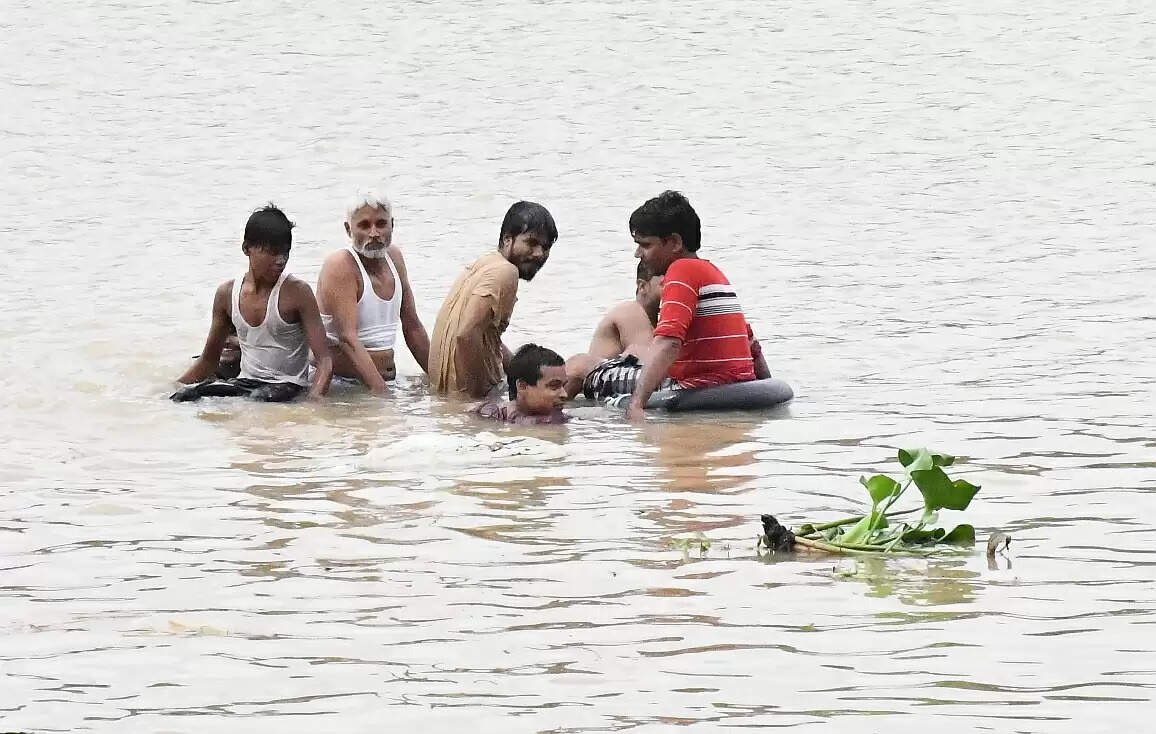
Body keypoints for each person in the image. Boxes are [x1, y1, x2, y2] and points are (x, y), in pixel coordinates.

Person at [622, 191, 771, 420]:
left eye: (645, 245)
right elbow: (752, 346)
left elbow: (669, 342)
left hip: (700, 388)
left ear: (674, 242)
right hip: (737, 384)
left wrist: (637, 405)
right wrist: (766, 391)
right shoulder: (714, 273)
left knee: (591, 372)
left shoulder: (681, 271)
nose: (637, 254)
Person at [171, 205, 332, 402]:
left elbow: (324, 360)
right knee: (185, 396)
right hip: (246, 383)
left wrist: (315, 400)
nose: (281, 260)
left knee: (254, 401)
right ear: (247, 249)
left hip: (288, 386)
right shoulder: (226, 294)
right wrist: (171, 389)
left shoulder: (298, 293)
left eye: (285, 252)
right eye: (272, 252)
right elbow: (208, 360)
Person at [428, 201, 558, 398]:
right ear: (507, 239)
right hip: (470, 399)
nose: (540, 253)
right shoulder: (507, 272)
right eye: (531, 242)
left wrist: (518, 372)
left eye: (545, 246)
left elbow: (488, 338)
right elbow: (466, 334)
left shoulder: (485, 264)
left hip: (447, 396)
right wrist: (476, 397)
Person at [315, 191, 430, 393]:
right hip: (341, 385)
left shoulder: (395, 258)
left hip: (384, 381)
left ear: (392, 225)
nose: (374, 233)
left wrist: (441, 380)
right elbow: (347, 339)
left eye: (381, 224)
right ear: (348, 229)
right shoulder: (341, 265)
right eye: (365, 225)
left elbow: (412, 326)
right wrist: (382, 394)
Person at [564, 260, 664, 399]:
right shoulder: (631, 311)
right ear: (642, 287)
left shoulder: (657, 321)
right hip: (598, 389)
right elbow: (648, 362)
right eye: (665, 285)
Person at [473, 344, 569, 424]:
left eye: (563, 386)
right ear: (522, 386)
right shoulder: (487, 413)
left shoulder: (562, 420)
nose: (564, 394)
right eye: (554, 386)